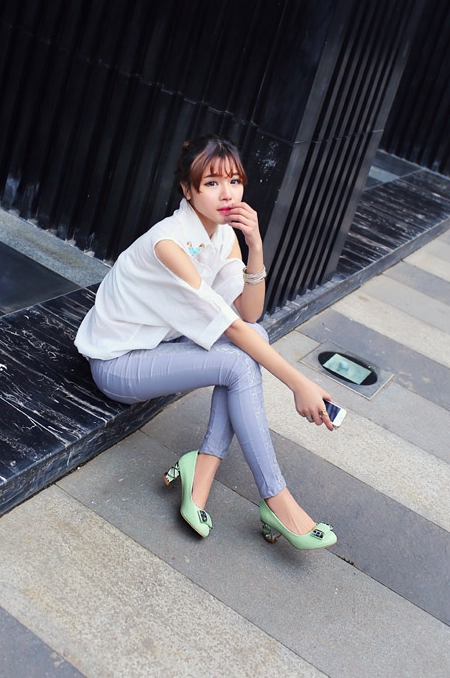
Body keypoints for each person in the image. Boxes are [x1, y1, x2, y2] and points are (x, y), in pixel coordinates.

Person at [75, 134, 337, 550]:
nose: (227, 193)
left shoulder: (224, 235)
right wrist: (298, 383)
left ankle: (203, 470)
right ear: (188, 189)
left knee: (256, 336)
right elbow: (232, 329)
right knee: (239, 359)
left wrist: (255, 245)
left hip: (161, 344)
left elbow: (249, 314)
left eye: (234, 181)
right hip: (119, 364)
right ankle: (276, 499)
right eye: (212, 183)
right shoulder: (169, 244)